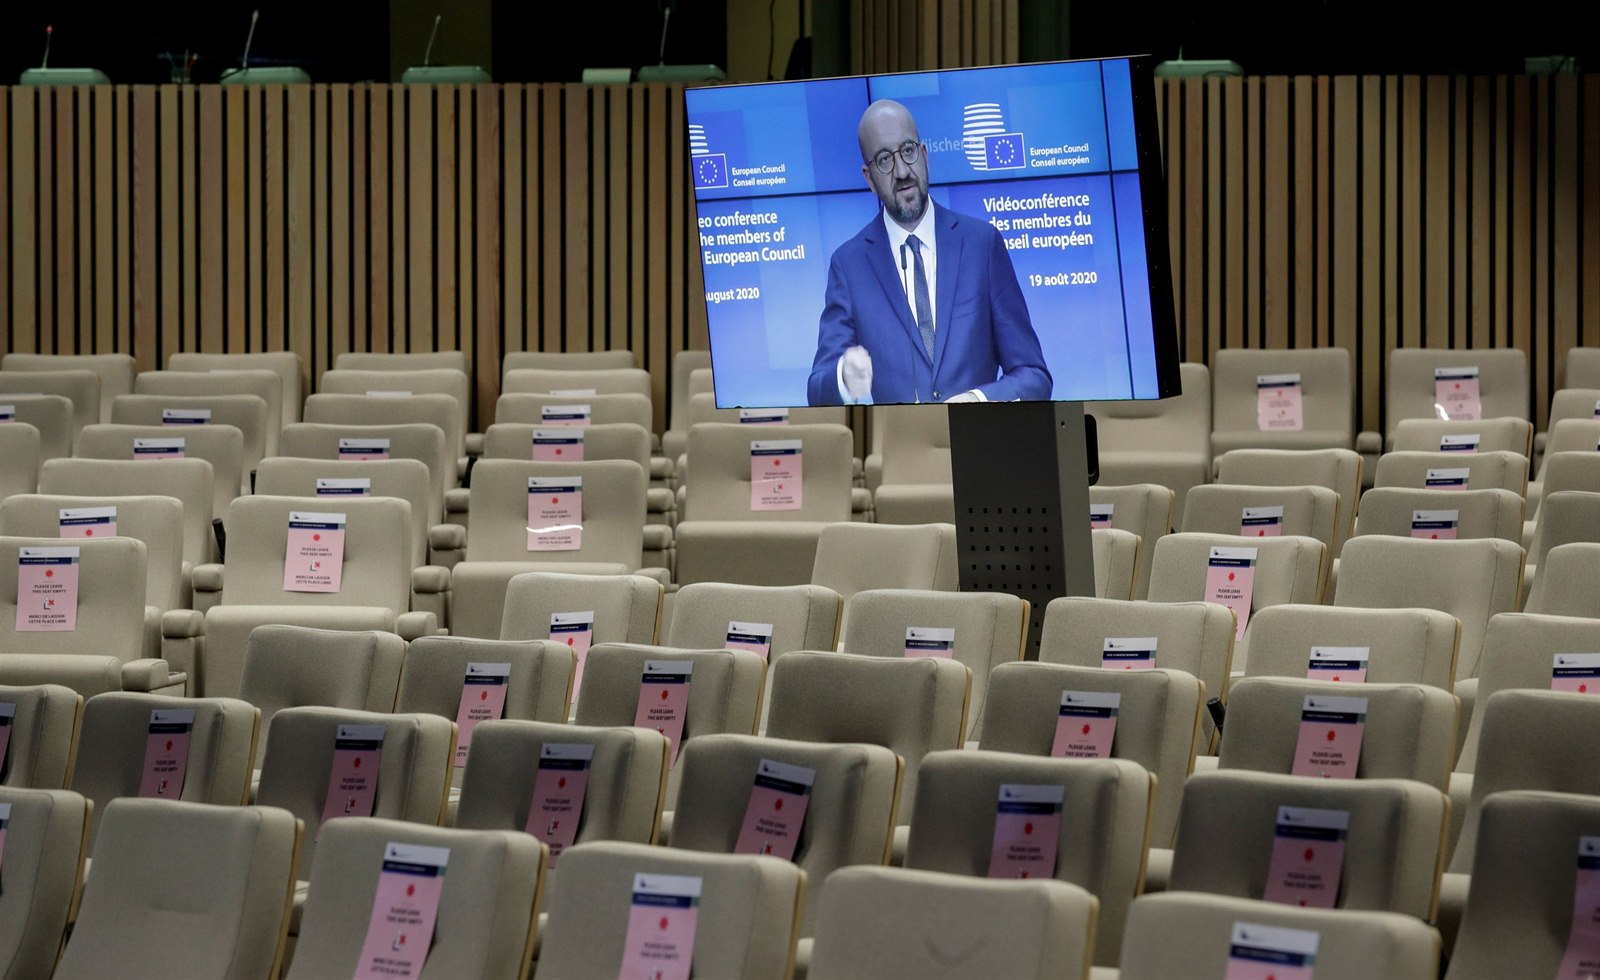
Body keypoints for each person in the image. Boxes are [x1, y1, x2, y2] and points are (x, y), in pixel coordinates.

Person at [806, 99, 1052, 406]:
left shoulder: (981, 245)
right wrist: (844, 377)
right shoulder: (849, 265)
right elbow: (817, 391)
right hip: (901, 439)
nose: (901, 171)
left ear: (924, 155)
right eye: (884, 159)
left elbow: (1034, 376)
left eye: (908, 151)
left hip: (976, 435)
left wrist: (978, 401)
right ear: (869, 178)